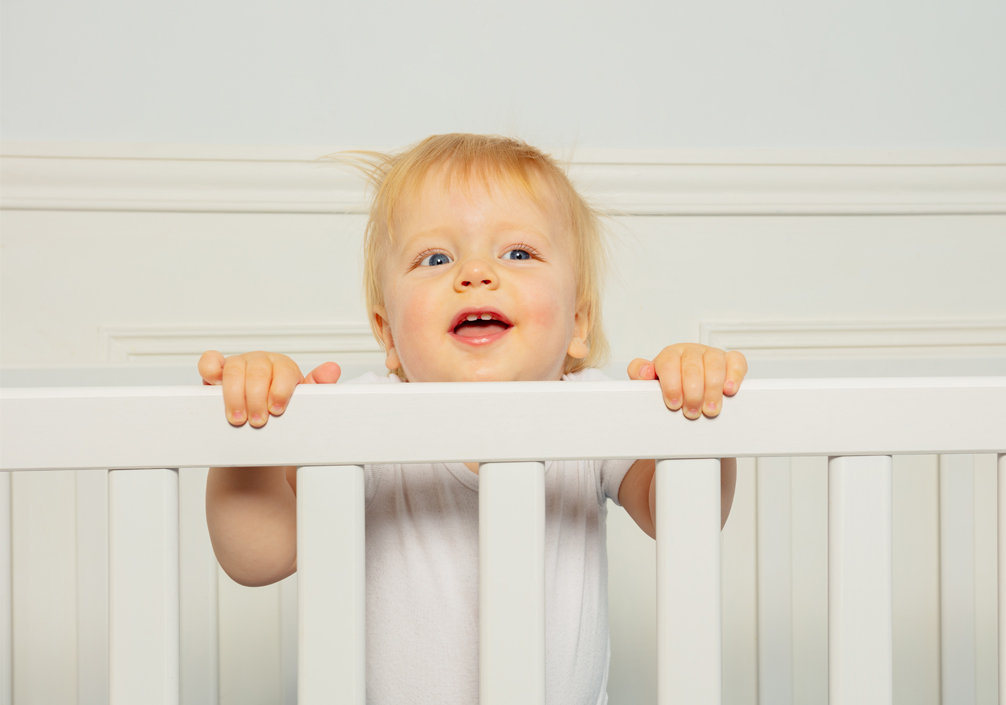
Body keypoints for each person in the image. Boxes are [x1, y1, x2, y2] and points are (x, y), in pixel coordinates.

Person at [199, 133, 747, 704]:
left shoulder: (589, 415)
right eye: (436, 258)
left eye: (518, 253)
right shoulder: (363, 420)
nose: (476, 273)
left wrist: (696, 410)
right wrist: (256, 430)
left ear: (578, 322)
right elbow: (255, 557)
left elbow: (686, 518)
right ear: (387, 333)